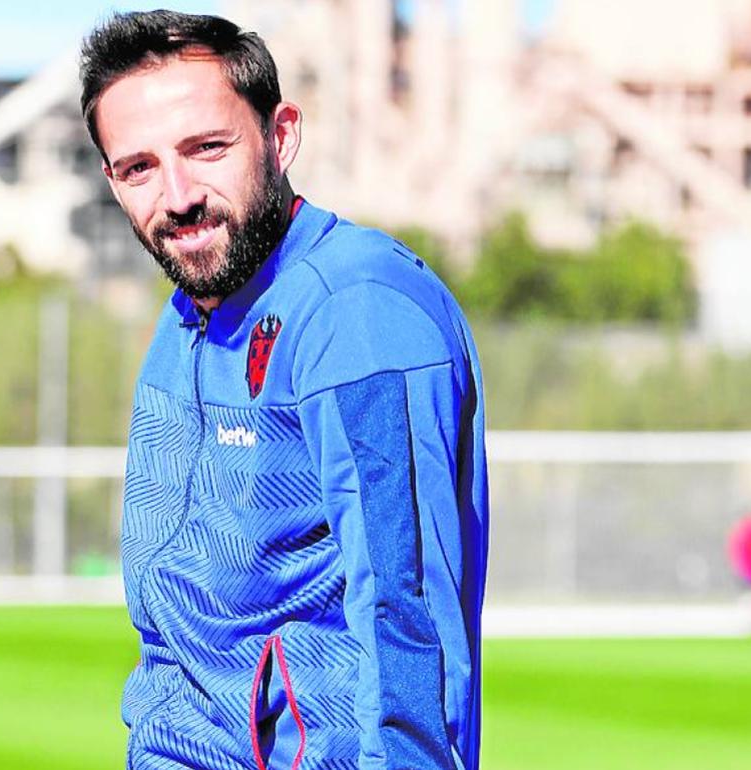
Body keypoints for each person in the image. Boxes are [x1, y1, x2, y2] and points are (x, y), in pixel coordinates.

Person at [80, 10, 488, 769]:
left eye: (206, 149)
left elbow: (406, 620)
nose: (177, 196)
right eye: (139, 167)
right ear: (112, 179)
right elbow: (175, 630)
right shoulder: (184, 319)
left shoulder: (357, 312)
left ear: (281, 135)